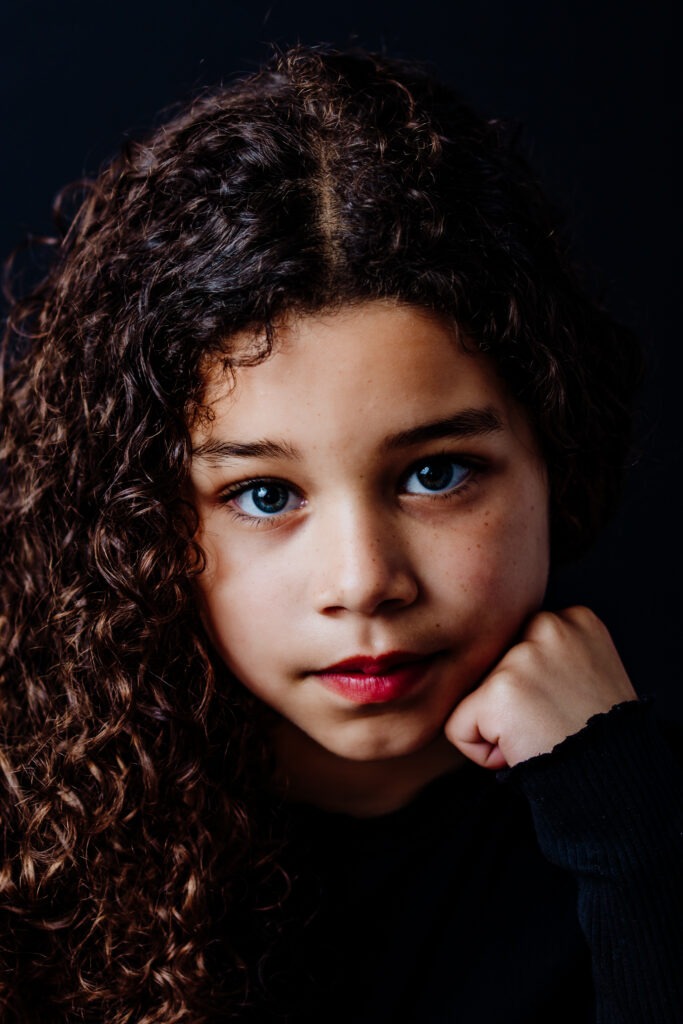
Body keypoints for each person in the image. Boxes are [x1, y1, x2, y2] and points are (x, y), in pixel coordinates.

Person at [0, 44, 681, 1023]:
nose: (362, 581)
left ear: (552, 458)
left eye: (434, 473)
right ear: (140, 514)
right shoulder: (41, 853)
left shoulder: (651, 829)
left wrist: (628, 837)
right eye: (265, 494)